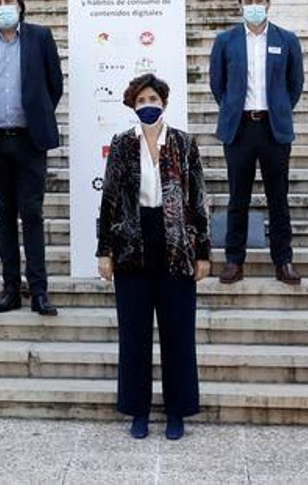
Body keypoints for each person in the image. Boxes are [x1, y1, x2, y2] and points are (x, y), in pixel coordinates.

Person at [96, 74, 211, 441]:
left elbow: (198, 200)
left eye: (154, 98)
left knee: (178, 333)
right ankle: (138, 411)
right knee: (134, 333)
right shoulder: (122, 145)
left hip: (176, 244)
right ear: (133, 104)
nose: (148, 104)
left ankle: (177, 412)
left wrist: (204, 252)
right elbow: (109, 201)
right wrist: (104, 251)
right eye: (141, 99)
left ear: (164, 102)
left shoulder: (183, 143)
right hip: (132, 243)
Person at [0, 0, 64, 315]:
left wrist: (35, 115)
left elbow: (55, 85)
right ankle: (10, 288)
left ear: (20, 5)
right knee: (4, 216)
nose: (2, 6)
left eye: (8, 0)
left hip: (29, 140)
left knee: (32, 213)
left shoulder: (40, 37)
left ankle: (39, 290)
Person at [209, 0, 304, 286]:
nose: (253, 4)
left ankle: (283, 260)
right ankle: (234, 260)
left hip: (273, 128)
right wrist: (233, 108)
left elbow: (295, 84)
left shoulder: (286, 40)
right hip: (240, 129)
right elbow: (217, 84)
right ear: (241, 5)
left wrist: (278, 109)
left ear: (268, 3)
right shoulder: (226, 41)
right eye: (248, 0)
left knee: (279, 198)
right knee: (238, 197)